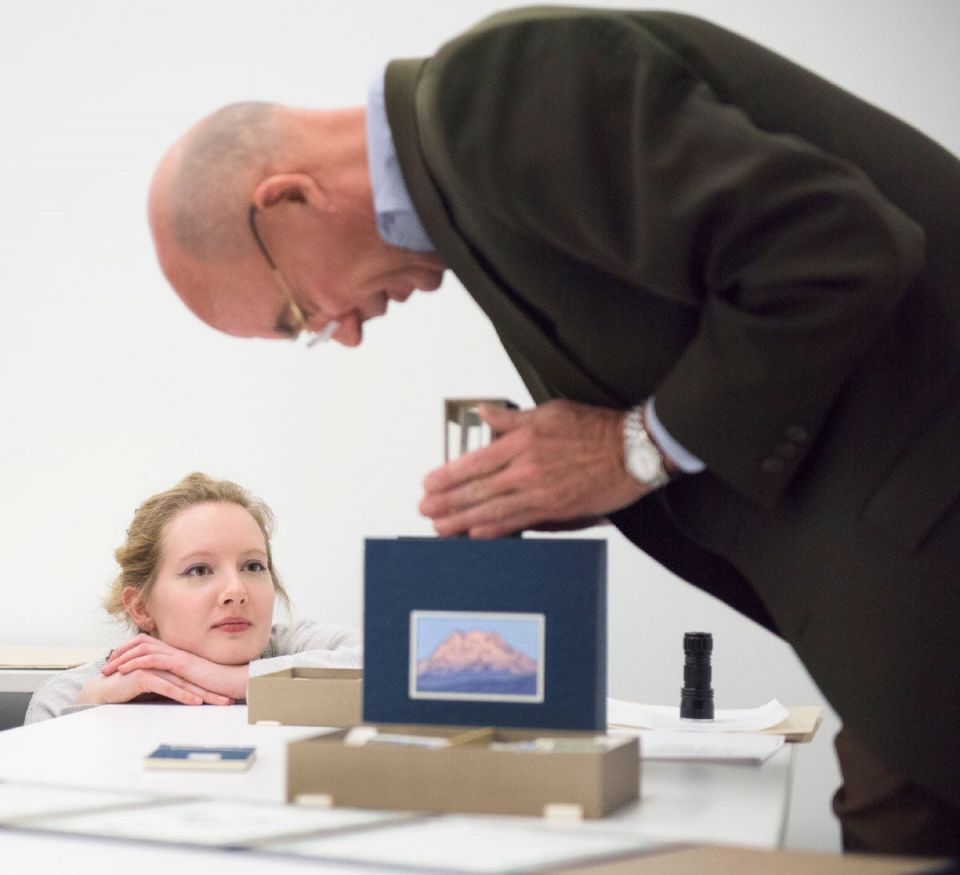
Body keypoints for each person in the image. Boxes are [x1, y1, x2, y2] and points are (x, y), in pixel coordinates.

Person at [146, 7, 960, 857]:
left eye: (296, 313)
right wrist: (569, 473)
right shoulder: (468, 179)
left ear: (289, 199)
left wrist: (632, 449)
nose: (340, 331)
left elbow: (835, 248)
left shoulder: (493, 88)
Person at [26, 473, 360, 723]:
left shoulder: (293, 647)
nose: (236, 591)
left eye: (253, 565)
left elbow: (394, 663)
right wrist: (89, 713)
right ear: (140, 607)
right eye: (199, 570)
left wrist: (231, 680)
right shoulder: (67, 696)